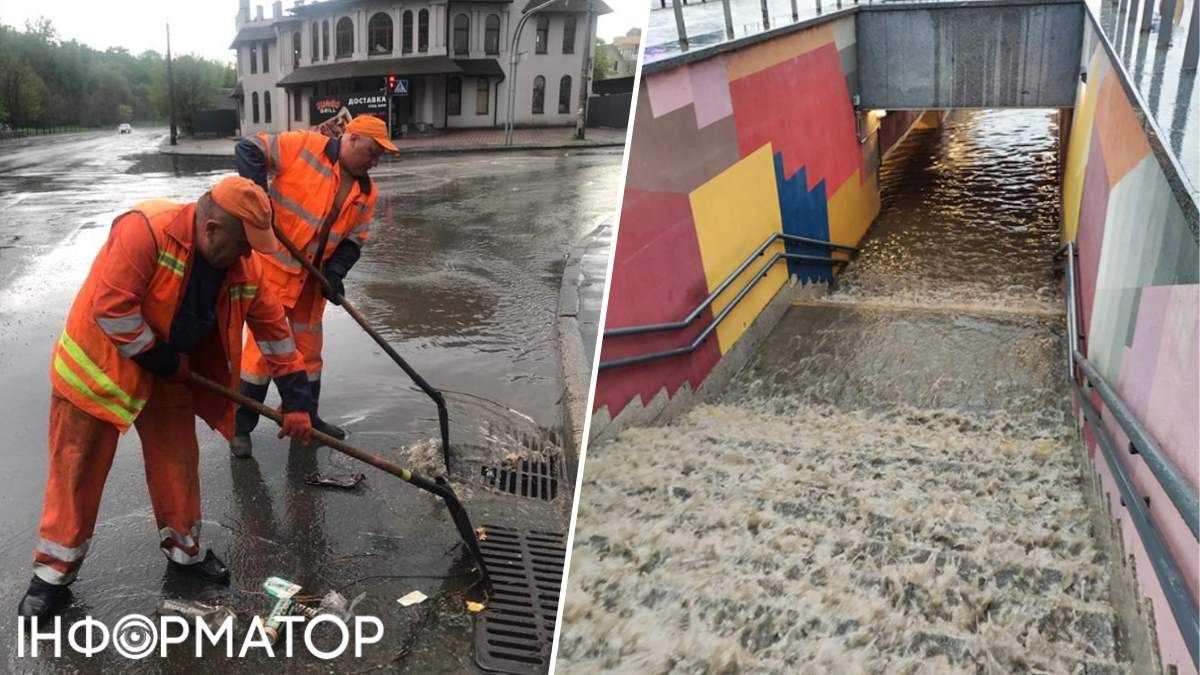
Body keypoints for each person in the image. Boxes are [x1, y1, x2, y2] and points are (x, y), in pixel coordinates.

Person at [18, 177, 315, 618]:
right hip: (99, 371)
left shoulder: (243, 268)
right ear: (211, 228)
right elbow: (112, 309)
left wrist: (296, 400)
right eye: (241, 243)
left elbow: (274, 332)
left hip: (172, 372)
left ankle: (186, 554)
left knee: (178, 465)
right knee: (76, 471)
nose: (247, 255)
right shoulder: (146, 228)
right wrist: (160, 358)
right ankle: (52, 577)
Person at [229, 114, 397, 458]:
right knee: (262, 356)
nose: (376, 161)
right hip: (273, 273)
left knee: (309, 354)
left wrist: (334, 276)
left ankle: (308, 417)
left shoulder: (367, 192)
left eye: (380, 155)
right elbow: (249, 149)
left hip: (310, 282)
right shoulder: (305, 147)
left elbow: (354, 240)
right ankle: (240, 428)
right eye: (372, 151)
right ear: (350, 140)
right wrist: (259, 197)